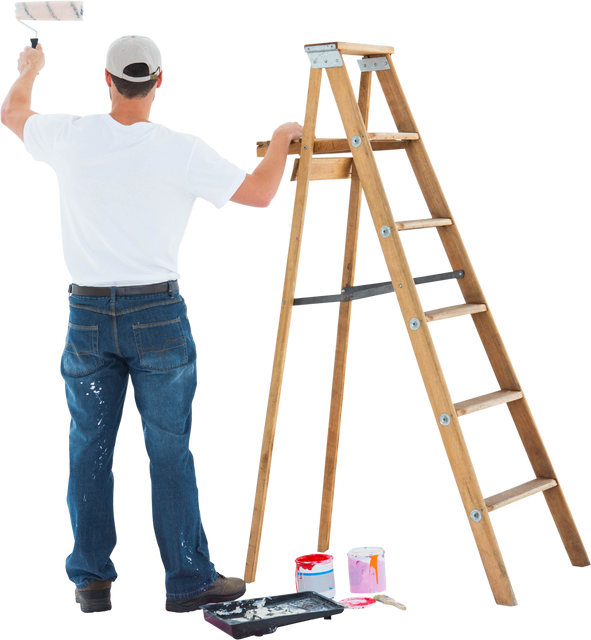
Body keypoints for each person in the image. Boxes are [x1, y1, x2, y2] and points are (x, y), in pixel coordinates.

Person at [1, 31, 303, 615]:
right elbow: (262, 194)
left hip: (86, 315)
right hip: (158, 316)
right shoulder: (181, 148)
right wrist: (285, 141)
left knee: (88, 445)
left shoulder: (69, 135)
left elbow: (14, 113)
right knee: (169, 448)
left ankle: (90, 582)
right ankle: (188, 582)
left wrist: (31, 67)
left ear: (106, 81)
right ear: (161, 81)